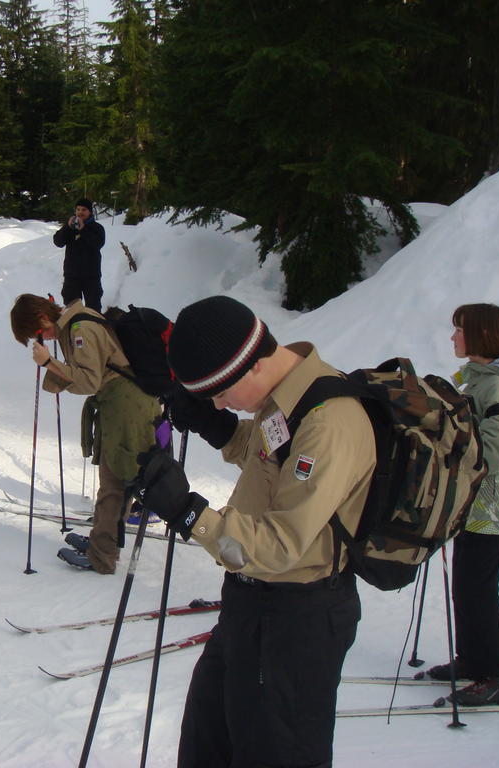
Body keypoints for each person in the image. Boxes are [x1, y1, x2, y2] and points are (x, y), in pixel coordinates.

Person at [137, 295, 374, 768]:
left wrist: (188, 513)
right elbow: (268, 458)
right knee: (206, 742)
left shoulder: (327, 423)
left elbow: (281, 545)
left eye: (221, 394)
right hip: (249, 607)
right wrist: (215, 424)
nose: (220, 402)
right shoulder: (285, 400)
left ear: (253, 365)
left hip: (296, 619)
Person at [9, 294, 160, 574]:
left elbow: (89, 380)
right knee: (111, 479)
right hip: (120, 402)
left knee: (115, 482)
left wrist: (49, 362)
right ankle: (101, 540)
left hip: (126, 405)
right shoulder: (74, 325)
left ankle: (102, 556)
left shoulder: (80, 330)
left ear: (43, 317)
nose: (43, 338)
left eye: (38, 332)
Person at [424, 303, 499, 706]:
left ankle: (494, 675)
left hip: (490, 502)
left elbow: (493, 450)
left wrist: (452, 448)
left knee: (478, 588)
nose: (453, 337)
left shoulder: (498, 387)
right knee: (465, 585)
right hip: (471, 498)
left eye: (459, 330)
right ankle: (471, 659)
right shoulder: (476, 378)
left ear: (481, 334)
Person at [52, 198, 105, 312]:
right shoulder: (70, 228)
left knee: (94, 309)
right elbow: (58, 242)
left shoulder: (97, 228)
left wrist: (83, 230)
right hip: (72, 276)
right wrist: (67, 227)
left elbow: (98, 244)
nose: (80, 212)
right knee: (72, 310)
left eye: (84, 210)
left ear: (89, 212)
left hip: (91, 276)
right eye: (78, 209)